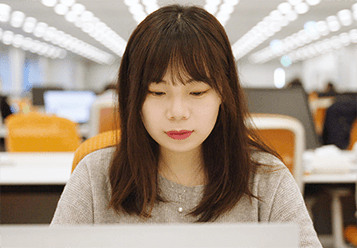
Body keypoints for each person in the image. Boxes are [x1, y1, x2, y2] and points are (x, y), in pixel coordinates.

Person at [51, 5, 322, 247]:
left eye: (197, 92)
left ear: (223, 94)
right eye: (157, 92)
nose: (177, 112)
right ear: (134, 98)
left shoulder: (267, 179)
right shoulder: (94, 176)